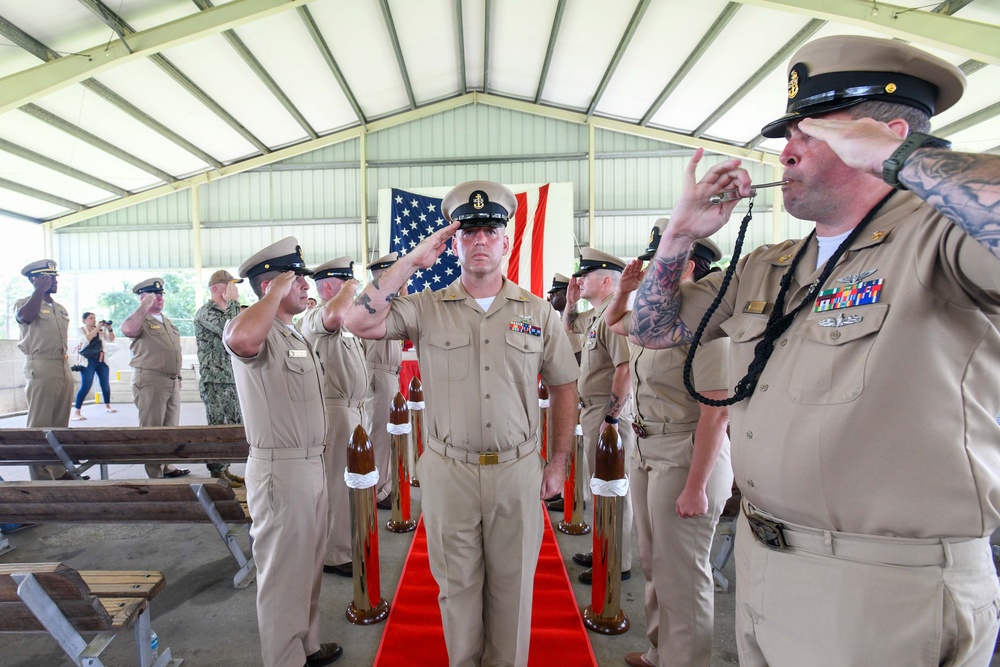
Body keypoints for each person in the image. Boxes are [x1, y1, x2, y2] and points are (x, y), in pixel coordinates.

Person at [630, 35, 1000, 666]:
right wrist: (679, 236)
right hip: (763, 561)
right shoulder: (771, 265)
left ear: (880, 136)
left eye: (808, 133)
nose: (786, 153)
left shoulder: (940, 239)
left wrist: (902, 157)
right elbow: (654, 329)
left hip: (881, 589)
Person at [345, 180, 579, 667]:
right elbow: (358, 322)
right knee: (457, 592)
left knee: (514, 594)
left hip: (517, 474)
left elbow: (564, 386)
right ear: (452, 243)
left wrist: (558, 462)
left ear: (507, 242)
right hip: (450, 473)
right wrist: (410, 263)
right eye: (467, 232)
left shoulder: (538, 311)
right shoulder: (426, 307)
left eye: (490, 231)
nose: (479, 241)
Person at [604, 230, 733, 667]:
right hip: (646, 450)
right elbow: (612, 322)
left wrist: (696, 487)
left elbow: (716, 414)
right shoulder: (651, 318)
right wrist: (622, 290)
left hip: (686, 455)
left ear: (690, 267)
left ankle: (686, 661)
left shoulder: (708, 325)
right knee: (655, 563)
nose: (651, 274)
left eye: (662, 264)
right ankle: (662, 652)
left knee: (683, 575)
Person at [223, 237, 343, 667]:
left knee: (307, 569)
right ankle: (284, 660)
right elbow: (238, 339)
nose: (306, 287)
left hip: (312, 464)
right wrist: (274, 292)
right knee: (281, 579)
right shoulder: (254, 327)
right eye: (297, 280)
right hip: (281, 470)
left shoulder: (292, 331)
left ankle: (306, 646)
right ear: (271, 284)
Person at [561, 247, 635, 583]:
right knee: (600, 487)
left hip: (608, 415)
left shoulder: (614, 317)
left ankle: (616, 562)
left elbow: (625, 368)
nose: (579, 280)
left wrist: (612, 419)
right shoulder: (595, 316)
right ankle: (603, 548)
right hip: (595, 412)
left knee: (614, 488)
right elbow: (567, 340)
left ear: (606, 280)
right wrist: (570, 305)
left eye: (586, 275)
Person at [299, 256, 368, 578]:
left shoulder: (342, 321)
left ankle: (347, 543)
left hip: (354, 409)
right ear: (328, 286)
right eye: (346, 283)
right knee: (338, 486)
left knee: (351, 483)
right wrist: (352, 289)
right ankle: (333, 553)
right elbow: (335, 314)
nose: (353, 290)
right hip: (336, 409)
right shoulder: (317, 316)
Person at [120, 277, 189, 479]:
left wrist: (178, 376)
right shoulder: (140, 319)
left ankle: (167, 466)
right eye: (153, 295)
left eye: (160, 295)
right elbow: (128, 330)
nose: (159, 298)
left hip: (170, 380)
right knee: (152, 429)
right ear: (143, 297)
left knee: (170, 428)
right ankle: (154, 474)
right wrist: (144, 306)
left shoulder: (166, 321)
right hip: (151, 380)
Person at [15, 259, 73, 480]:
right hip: (41, 364)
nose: (54, 281)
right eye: (48, 277)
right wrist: (38, 290)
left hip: (62, 363)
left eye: (55, 277)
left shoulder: (59, 308)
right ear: (35, 279)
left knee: (60, 424)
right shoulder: (25, 303)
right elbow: (25, 317)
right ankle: (40, 476)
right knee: (40, 425)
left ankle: (58, 471)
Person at [194, 270, 246, 487]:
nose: (234, 289)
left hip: (231, 378)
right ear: (216, 289)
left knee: (232, 424)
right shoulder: (206, 312)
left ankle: (225, 468)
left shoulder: (228, 311)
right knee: (217, 427)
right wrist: (234, 304)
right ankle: (217, 472)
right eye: (229, 285)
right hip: (215, 380)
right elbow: (230, 330)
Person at [361, 252, 404, 510]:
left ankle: (384, 484)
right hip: (378, 373)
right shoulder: (376, 302)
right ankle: (377, 491)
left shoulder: (388, 303)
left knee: (385, 433)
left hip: (388, 373)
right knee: (378, 433)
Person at [72, 312, 117, 420]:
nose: (93, 320)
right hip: (88, 361)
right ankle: (77, 411)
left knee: (105, 384)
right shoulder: (81, 330)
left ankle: (108, 406)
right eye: (91, 318)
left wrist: (109, 329)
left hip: (101, 360)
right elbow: (85, 340)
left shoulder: (100, 330)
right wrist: (97, 329)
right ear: (84, 320)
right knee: (86, 385)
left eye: (94, 318)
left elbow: (111, 339)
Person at [547, 272, 582, 364]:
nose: (551, 297)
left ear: (567, 295)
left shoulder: (572, 325)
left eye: (555, 294)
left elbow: (577, 358)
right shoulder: (561, 321)